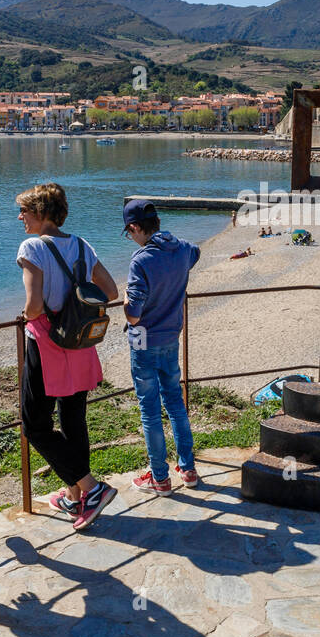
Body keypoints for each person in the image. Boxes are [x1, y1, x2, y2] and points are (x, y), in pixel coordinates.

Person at [15, 183, 120, 531]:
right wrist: (77, 305)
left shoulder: (32, 246)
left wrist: (29, 314)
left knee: (35, 425)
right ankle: (76, 496)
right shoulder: (81, 244)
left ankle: (92, 489)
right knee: (74, 420)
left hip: (47, 343)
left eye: (25, 212)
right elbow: (110, 290)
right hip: (79, 343)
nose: (20, 218)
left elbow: (32, 307)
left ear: (42, 213)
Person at [123, 200, 202, 494]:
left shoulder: (140, 261)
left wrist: (125, 305)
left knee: (150, 411)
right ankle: (188, 468)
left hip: (144, 339)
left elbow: (134, 314)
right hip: (171, 336)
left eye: (129, 232)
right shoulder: (181, 249)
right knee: (175, 403)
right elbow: (195, 252)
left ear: (134, 227)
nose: (130, 238)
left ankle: (160, 477)